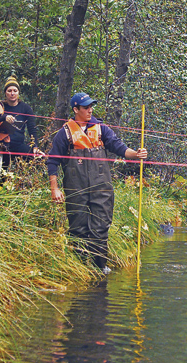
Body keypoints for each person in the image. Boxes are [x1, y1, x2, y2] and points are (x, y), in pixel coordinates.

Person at [47, 92, 147, 274]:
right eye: (86, 107)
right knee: (78, 229)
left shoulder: (102, 129)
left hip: (102, 188)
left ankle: (101, 268)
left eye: (91, 106)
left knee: (101, 227)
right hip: (75, 188)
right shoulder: (64, 133)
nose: (90, 110)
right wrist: (55, 189)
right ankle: (80, 270)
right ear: (75, 109)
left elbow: (119, 147)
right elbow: (52, 161)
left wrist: (136, 154)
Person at [2, 76, 44, 161]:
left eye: (15, 91)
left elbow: (32, 128)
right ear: (5, 93)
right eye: (9, 91)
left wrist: (35, 146)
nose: (12, 93)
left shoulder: (25, 108)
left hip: (19, 145)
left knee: (40, 157)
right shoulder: (0, 106)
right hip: (2, 145)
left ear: (18, 92)